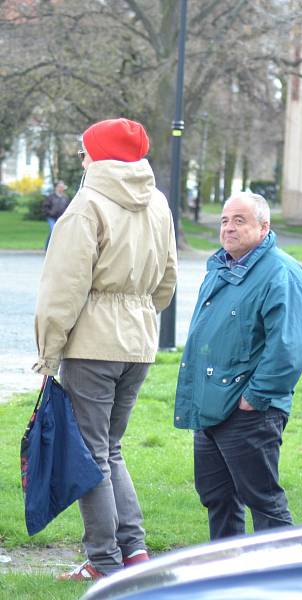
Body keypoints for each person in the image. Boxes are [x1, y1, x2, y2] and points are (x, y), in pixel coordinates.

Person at [33, 118, 177, 581]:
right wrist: (137, 315)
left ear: (100, 154)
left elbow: (62, 288)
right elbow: (167, 280)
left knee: (92, 454)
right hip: (138, 343)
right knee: (109, 449)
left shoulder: (85, 205)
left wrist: (49, 353)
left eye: (83, 151)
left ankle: (105, 563)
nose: (82, 159)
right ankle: (133, 553)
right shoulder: (157, 203)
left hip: (93, 343)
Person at [174, 191, 302, 541]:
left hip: (249, 412)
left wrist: (256, 397)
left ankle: (283, 581)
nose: (229, 228)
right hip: (211, 408)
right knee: (217, 498)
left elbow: (290, 346)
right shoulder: (222, 267)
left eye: (240, 220)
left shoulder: (281, 272)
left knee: (263, 501)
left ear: (264, 227)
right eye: (224, 220)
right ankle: (228, 577)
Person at [42, 180, 70, 249]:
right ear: (56, 187)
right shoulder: (51, 197)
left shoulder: (65, 197)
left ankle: (59, 247)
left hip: (61, 218)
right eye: (60, 186)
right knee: (53, 230)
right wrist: (50, 213)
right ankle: (47, 247)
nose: (62, 188)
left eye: (63, 187)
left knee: (61, 232)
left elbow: (69, 207)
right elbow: (45, 207)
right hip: (52, 218)